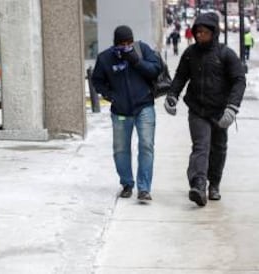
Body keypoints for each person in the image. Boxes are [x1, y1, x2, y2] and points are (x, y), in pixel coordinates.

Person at [164, 13, 246, 206]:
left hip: (220, 111)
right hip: (197, 109)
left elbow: (239, 80)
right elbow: (180, 76)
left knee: (218, 149)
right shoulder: (190, 53)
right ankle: (198, 185)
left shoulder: (226, 54)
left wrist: (232, 108)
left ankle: (214, 184)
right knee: (201, 146)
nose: (200, 36)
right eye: (197, 32)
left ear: (214, 32)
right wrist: (172, 95)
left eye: (204, 32)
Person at [92, 25, 161, 201]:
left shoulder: (141, 49)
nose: (126, 46)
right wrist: (111, 96)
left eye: (129, 42)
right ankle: (127, 183)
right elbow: (97, 81)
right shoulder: (106, 58)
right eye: (122, 43)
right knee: (121, 149)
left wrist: (136, 61)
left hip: (144, 106)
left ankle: (144, 188)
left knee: (146, 146)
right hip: (121, 110)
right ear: (115, 43)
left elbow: (155, 70)